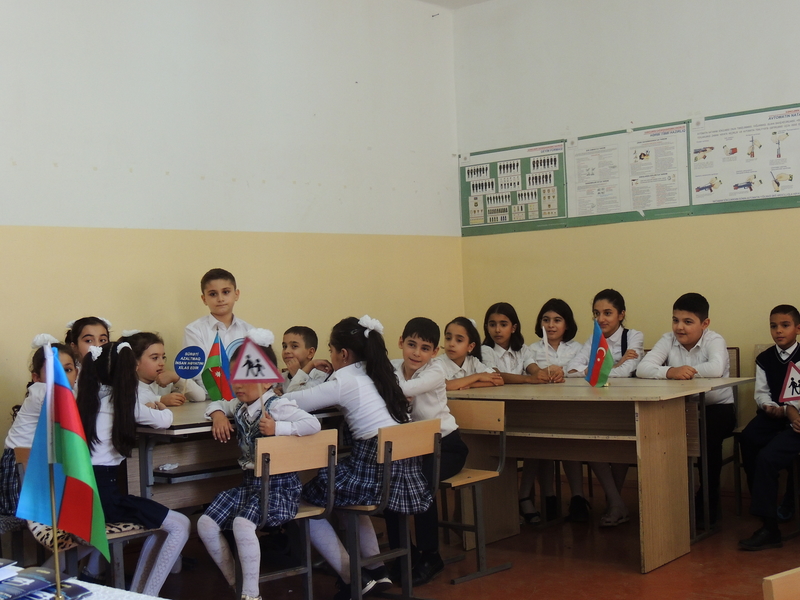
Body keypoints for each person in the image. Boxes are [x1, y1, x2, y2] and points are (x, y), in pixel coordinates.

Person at [282, 316, 431, 600]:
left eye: (331, 350)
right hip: (403, 475)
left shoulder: (345, 379)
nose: (331, 357)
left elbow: (289, 400)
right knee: (344, 499)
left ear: (343, 353)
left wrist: (306, 369)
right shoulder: (381, 372)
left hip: (374, 472)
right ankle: (377, 569)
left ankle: (354, 576)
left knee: (297, 502)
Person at [197, 329, 321, 600]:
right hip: (251, 486)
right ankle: (236, 582)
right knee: (205, 523)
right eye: (234, 377)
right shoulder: (239, 405)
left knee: (242, 524)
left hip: (280, 489)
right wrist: (218, 414)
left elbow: (313, 424)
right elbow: (217, 403)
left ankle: (251, 595)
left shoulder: (277, 406)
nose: (238, 385)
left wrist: (279, 428)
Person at [76, 341, 190, 595]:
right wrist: (161, 406)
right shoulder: (121, 404)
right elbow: (166, 420)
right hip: (105, 501)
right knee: (180, 524)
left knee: (159, 524)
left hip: (82, 497)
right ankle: (144, 595)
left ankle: (132, 590)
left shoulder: (85, 400)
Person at [636, 292, 734, 528]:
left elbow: (716, 368)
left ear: (705, 323)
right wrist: (670, 371)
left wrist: (683, 370)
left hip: (717, 409)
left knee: (706, 440)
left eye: (688, 322)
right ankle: (671, 501)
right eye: (675, 320)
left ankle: (707, 502)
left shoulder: (714, 340)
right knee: (659, 436)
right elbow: (643, 368)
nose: (679, 327)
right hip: (679, 408)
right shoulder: (668, 339)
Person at [386, 317, 469, 586]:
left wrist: (388, 389)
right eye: (411, 344)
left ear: (434, 352)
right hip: (414, 447)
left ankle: (431, 555)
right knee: (390, 482)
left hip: (447, 446)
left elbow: (403, 389)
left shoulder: (436, 370)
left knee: (421, 482)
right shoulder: (393, 368)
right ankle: (402, 554)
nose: (416, 353)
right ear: (401, 342)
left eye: (425, 348)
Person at [567, 289, 643, 527]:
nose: (601, 319)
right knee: (590, 441)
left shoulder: (634, 336)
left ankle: (615, 502)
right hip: (596, 405)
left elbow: (628, 371)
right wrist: (616, 364)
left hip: (625, 406)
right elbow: (570, 371)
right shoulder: (593, 339)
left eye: (607, 313)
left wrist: (597, 369)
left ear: (621, 314)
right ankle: (616, 502)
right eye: (596, 313)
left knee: (621, 444)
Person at [737, 305, 800, 550]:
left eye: (785, 325)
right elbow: (762, 392)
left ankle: (774, 518)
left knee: (768, 456)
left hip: (795, 419)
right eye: (773, 326)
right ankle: (763, 503)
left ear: (797, 328)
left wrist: (790, 413)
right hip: (775, 414)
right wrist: (771, 407)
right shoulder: (765, 358)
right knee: (748, 438)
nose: (778, 331)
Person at [522, 299, 590, 523]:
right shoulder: (531, 350)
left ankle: (577, 497)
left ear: (567, 324)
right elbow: (529, 374)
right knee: (541, 444)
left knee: (570, 443)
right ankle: (548, 497)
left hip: (572, 408)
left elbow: (582, 371)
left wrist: (563, 372)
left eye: (557, 320)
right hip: (540, 409)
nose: (551, 325)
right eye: (546, 320)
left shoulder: (578, 348)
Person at [0, 335, 78, 516]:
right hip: (19, 467)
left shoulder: (67, 393)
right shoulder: (42, 392)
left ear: (77, 373)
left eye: (68, 370)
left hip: (39, 464)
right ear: (36, 377)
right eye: (53, 371)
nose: (61, 376)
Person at [183, 268, 252, 397]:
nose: (220, 299)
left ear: (236, 294)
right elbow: (197, 372)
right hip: (210, 397)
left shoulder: (250, 331)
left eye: (226, 292)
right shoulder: (194, 330)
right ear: (204, 299)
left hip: (245, 397)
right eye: (213, 294)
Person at [118, 331, 205, 407]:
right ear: (134, 361)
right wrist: (160, 400)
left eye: (163, 357)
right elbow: (132, 402)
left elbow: (200, 397)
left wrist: (177, 378)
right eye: (155, 358)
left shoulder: (165, 382)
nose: (162, 363)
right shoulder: (125, 385)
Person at [481, 302, 550, 385]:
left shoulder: (522, 349)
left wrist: (547, 375)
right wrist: (529, 379)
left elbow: (534, 370)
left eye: (503, 325)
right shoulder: (485, 350)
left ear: (513, 328)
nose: (497, 330)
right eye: (492, 325)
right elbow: (496, 375)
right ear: (487, 328)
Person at [436, 317, 504, 391]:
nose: (451, 344)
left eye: (459, 340)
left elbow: (499, 380)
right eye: (448, 338)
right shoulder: (438, 363)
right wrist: (477, 377)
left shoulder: (473, 362)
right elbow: (446, 385)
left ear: (470, 346)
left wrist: (471, 385)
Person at [281, 326, 332, 393]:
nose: (286, 351)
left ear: (310, 353)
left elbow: (307, 396)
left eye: (294, 346)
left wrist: (296, 375)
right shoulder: (281, 378)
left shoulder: (321, 376)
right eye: (284, 346)